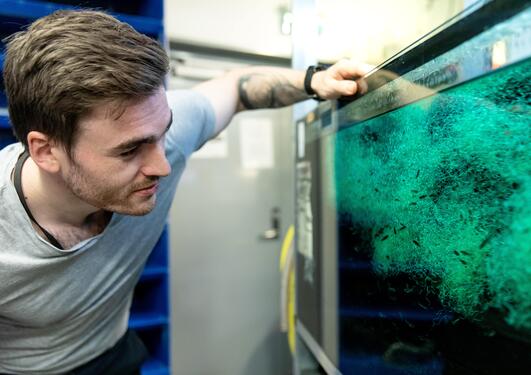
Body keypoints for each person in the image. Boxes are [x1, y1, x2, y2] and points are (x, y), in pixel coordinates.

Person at [0, 9, 370, 375]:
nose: (162, 165)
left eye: (164, 133)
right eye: (130, 150)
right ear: (46, 151)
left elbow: (237, 88)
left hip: (115, 352)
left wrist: (314, 81)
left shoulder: (154, 134)